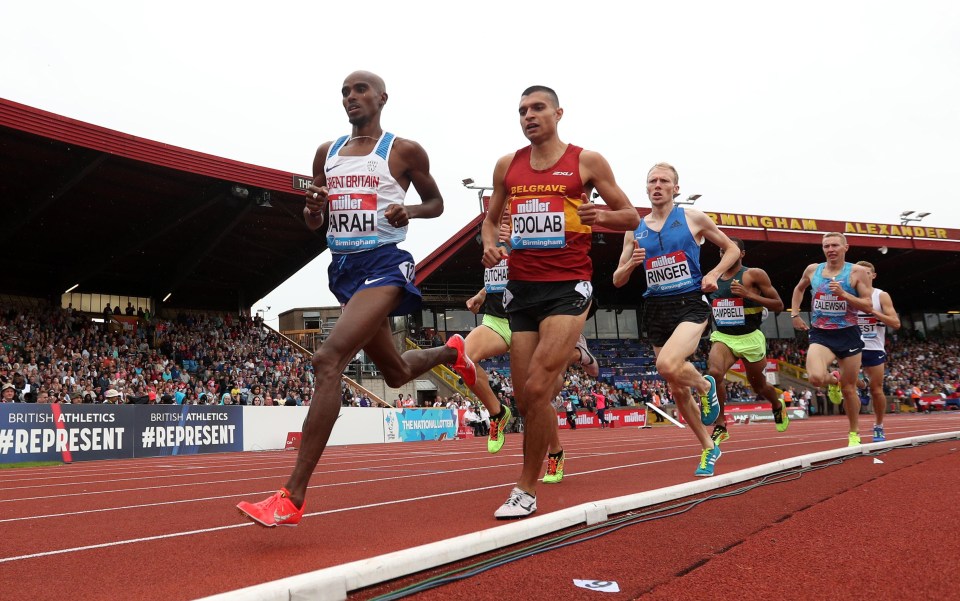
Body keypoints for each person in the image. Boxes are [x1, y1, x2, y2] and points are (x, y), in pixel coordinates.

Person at [237, 70, 476, 528]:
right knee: (397, 370)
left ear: (382, 98)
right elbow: (315, 222)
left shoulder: (402, 151)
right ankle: (454, 352)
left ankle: (292, 497)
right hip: (344, 272)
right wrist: (312, 211)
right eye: (345, 92)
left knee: (328, 359)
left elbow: (437, 203)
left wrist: (411, 209)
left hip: (384, 265)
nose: (351, 97)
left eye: (360, 90)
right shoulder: (326, 154)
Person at [481, 84, 639, 519]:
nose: (528, 116)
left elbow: (631, 216)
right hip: (521, 288)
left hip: (569, 284)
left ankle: (525, 488)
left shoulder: (585, 161)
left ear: (558, 113)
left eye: (537, 108)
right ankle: (569, 367)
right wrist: (491, 246)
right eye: (522, 111)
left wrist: (602, 216)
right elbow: (490, 222)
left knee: (536, 388)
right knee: (524, 397)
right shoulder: (506, 166)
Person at [613, 162, 739, 477]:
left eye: (664, 181)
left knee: (667, 365)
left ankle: (704, 384)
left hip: (689, 303)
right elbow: (617, 278)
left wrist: (713, 273)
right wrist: (631, 266)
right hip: (655, 308)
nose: (657, 185)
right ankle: (709, 448)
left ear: (675, 188)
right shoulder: (635, 228)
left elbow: (732, 249)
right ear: (646, 188)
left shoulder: (693, 218)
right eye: (652, 181)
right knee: (677, 389)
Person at [464, 213, 599, 454]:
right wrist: (481, 295)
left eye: (509, 205)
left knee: (540, 393)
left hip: (529, 318)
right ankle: (497, 413)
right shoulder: (489, 235)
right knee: (462, 358)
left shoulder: (534, 231)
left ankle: (555, 451)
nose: (504, 210)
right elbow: (499, 272)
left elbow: (546, 267)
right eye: (500, 205)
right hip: (497, 319)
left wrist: (517, 243)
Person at [790, 232, 875, 446]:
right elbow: (799, 289)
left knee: (849, 389)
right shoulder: (813, 270)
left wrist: (844, 295)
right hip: (821, 334)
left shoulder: (856, 272)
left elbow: (867, 305)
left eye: (835, 245)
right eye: (826, 246)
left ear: (846, 247)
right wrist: (794, 314)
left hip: (848, 334)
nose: (831, 249)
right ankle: (832, 379)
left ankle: (854, 432)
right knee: (816, 378)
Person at [704, 237, 787, 445]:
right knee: (714, 374)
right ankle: (721, 425)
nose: (726, 254)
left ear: (741, 254)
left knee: (758, 386)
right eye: (723, 250)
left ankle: (777, 405)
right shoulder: (712, 277)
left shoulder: (753, 275)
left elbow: (778, 305)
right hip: (724, 336)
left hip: (750, 337)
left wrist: (749, 294)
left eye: (731, 250)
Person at [855, 260, 901, 442]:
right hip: (854, 346)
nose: (862, 277)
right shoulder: (848, 295)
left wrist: (873, 312)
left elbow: (896, 323)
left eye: (866, 273)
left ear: (873, 275)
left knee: (877, 390)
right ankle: (862, 387)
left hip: (874, 348)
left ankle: (879, 426)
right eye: (858, 273)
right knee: (846, 381)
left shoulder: (881, 296)